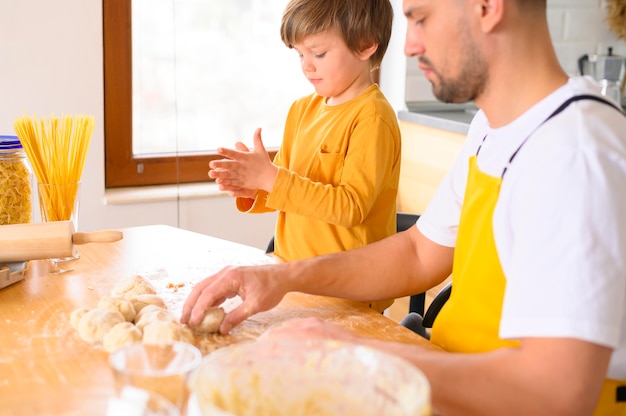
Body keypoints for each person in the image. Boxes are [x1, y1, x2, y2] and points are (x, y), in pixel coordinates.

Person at [182, 0, 626, 414]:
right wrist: (280, 276)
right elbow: (418, 252)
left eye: (420, 18)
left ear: (489, 6)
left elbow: (557, 393)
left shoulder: (574, 152)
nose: (409, 45)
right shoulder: (493, 127)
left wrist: (354, 354)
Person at [208, 0, 401, 280]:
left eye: (318, 53)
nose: (306, 66)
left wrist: (271, 179)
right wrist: (254, 187)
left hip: (347, 289)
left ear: (365, 44)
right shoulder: (301, 110)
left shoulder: (372, 117)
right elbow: (289, 189)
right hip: (292, 277)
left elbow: (351, 207)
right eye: (300, 54)